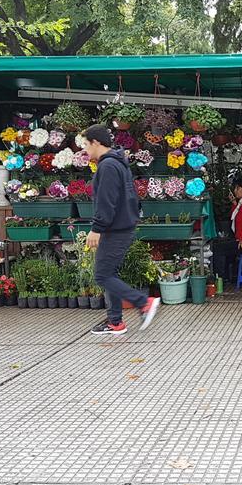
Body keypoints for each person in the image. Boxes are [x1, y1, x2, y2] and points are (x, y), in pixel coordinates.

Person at [81, 124, 159, 335]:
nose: (86, 150)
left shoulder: (107, 166)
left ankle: (143, 302)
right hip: (122, 225)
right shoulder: (118, 163)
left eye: (86, 145)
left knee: (102, 275)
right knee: (109, 273)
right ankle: (115, 322)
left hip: (115, 228)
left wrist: (96, 228)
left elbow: (107, 202)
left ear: (96, 143)